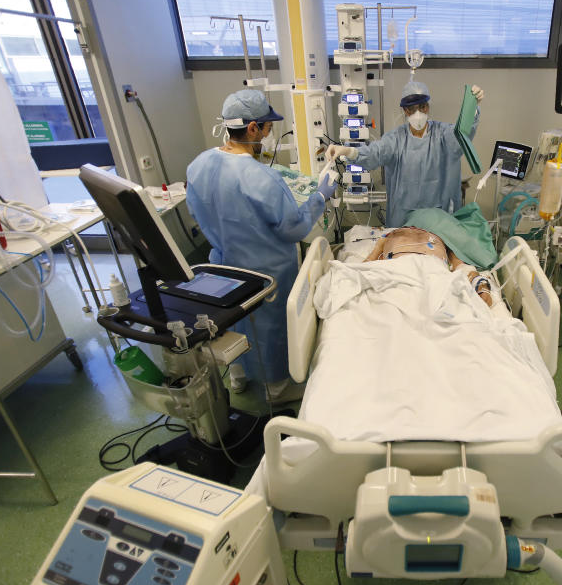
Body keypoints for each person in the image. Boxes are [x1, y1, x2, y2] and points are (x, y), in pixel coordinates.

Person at [186, 89, 337, 402]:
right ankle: (276, 387)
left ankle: (238, 376)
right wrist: (321, 196)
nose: (269, 135)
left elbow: (199, 209)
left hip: (222, 264)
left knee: (231, 322)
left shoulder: (198, 165)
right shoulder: (258, 177)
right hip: (264, 270)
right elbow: (292, 227)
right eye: (267, 128)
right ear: (252, 128)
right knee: (268, 327)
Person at [324, 81, 484, 228]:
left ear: (428, 106)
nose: (418, 113)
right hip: (404, 221)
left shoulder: (443, 135)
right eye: (412, 109)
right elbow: (375, 152)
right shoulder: (396, 139)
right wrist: (346, 150)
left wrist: (472, 109)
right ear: (405, 111)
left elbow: (462, 135)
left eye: (422, 107)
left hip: (439, 221)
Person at [364, 227, 493, 307]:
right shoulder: (389, 235)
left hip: (435, 274)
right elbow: (367, 265)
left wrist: (481, 286)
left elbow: (462, 268)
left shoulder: (442, 238)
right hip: (399, 271)